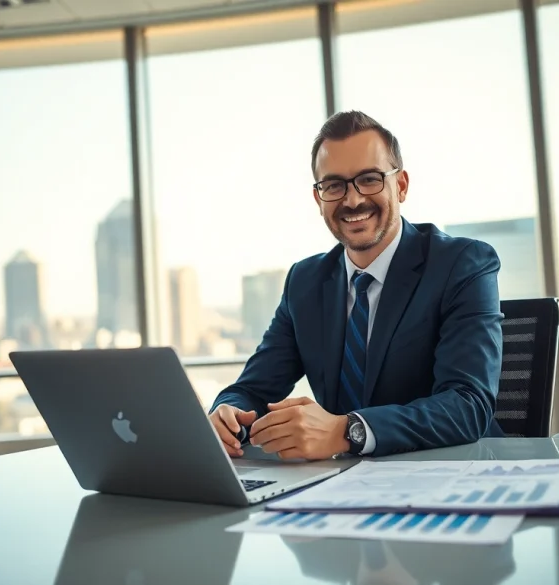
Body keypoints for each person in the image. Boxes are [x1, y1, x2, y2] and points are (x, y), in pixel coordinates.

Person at [208, 110, 503, 460]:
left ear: (402, 186)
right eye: (334, 185)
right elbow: (253, 389)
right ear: (319, 199)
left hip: (452, 478)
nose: (352, 200)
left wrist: (348, 431)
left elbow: (468, 406)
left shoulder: (462, 264)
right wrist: (227, 414)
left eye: (369, 179)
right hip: (340, 487)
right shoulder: (305, 281)